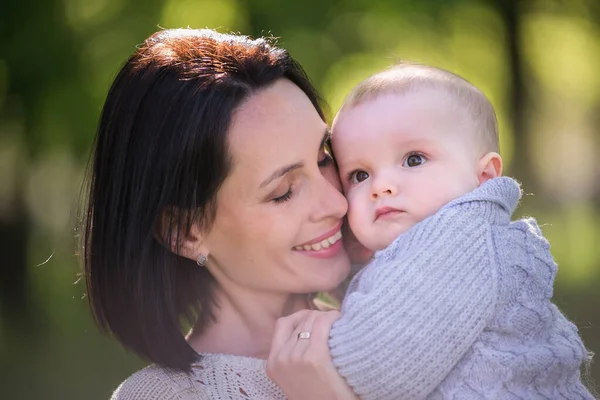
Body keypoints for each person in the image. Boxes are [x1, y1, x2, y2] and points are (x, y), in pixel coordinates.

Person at [268, 64, 595, 399]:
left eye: (413, 160)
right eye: (360, 175)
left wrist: (318, 338)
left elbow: (372, 366)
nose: (381, 187)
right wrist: (351, 263)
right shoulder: (437, 251)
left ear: (484, 176)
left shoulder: (462, 240)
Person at [81, 27, 360, 399]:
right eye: (283, 192)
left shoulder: (399, 321)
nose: (337, 203)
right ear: (184, 231)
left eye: (324, 158)